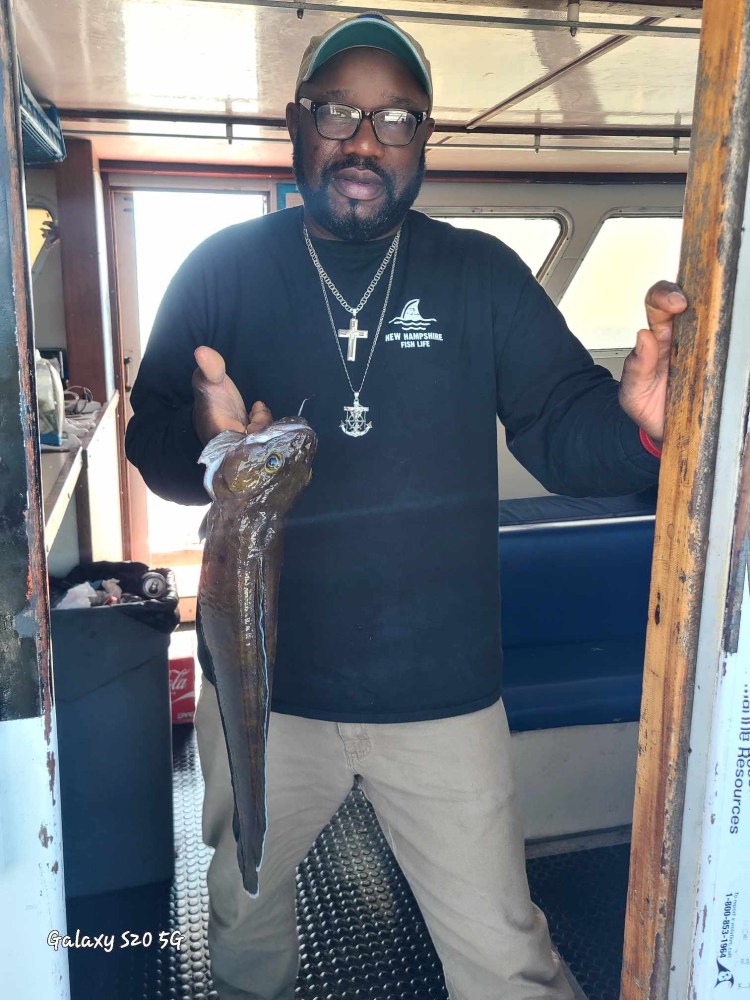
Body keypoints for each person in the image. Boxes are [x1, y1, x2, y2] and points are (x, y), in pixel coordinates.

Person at [125, 12, 687, 1000]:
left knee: (506, 957)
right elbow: (151, 438)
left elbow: (561, 428)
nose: (363, 141)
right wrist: (213, 449)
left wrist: (643, 429)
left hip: (445, 700)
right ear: (298, 122)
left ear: (423, 139)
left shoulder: (480, 276)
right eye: (339, 112)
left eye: (395, 120)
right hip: (265, 693)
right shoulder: (222, 270)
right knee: (245, 921)